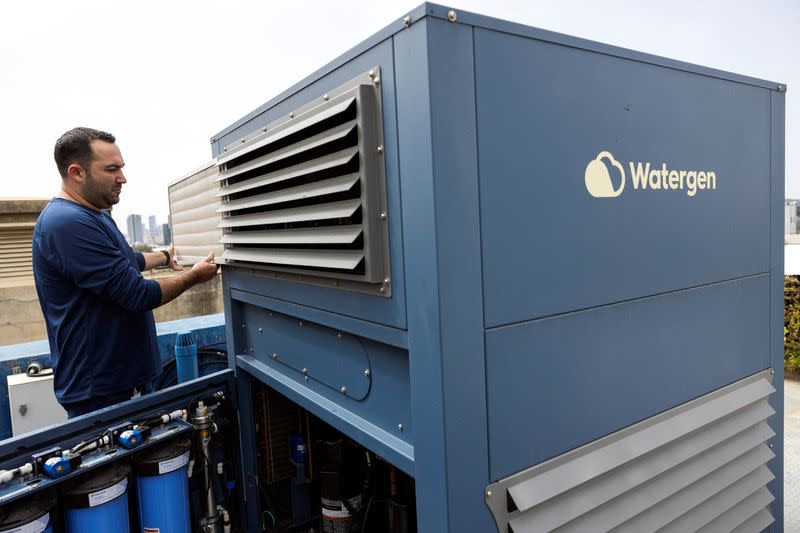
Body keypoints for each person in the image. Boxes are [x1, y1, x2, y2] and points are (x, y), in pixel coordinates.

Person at [32, 127, 219, 418]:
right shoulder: (66, 223)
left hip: (121, 382)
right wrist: (194, 276)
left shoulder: (93, 214)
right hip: (101, 390)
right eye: (112, 169)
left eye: (121, 167)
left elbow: (125, 260)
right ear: (76, 172)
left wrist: (164, 256)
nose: (122, 177)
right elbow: (136, 294)